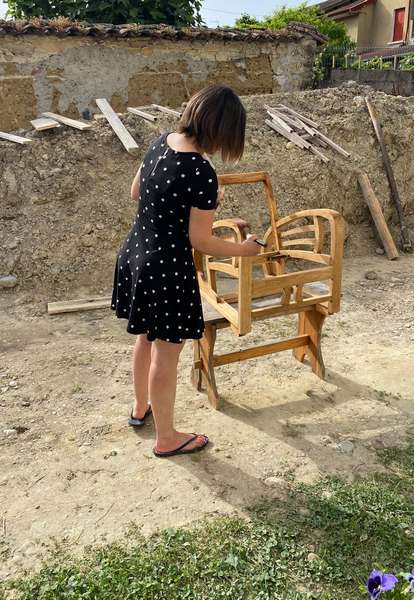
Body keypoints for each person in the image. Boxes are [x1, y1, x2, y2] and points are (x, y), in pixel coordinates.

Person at [111, 85, 260, 458]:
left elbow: (136, 192)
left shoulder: (163, 140)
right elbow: (202, 241)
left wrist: (196, 202)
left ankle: (140, 407)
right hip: (166, 269)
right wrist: (243, 250)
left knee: (144, 338)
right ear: (222, 130)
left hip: (137, 253)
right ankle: (166, 438)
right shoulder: (201, 171)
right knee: (167, 352)